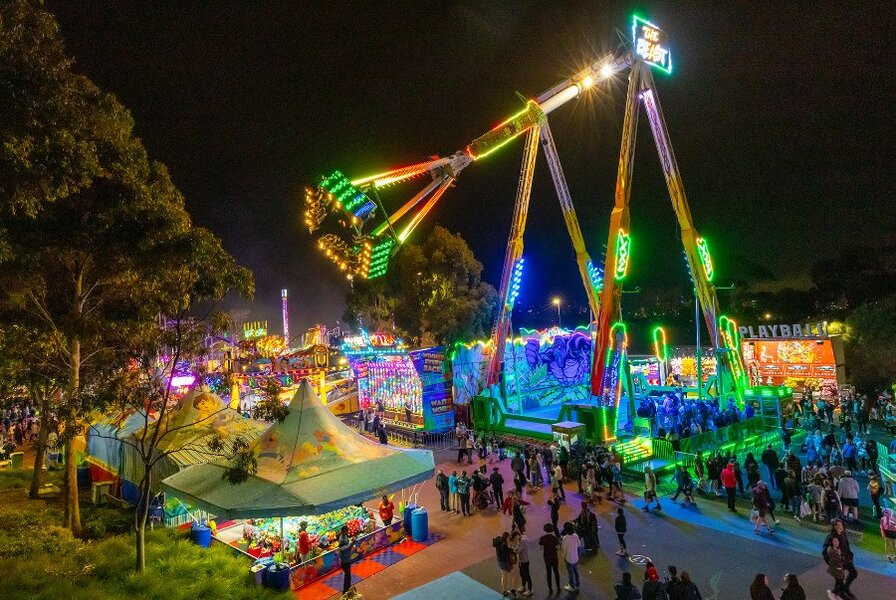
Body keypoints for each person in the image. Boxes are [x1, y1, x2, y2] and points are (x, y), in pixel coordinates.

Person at [822, 520, 857, 595]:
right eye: (839, 525)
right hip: (837, 561)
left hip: (846, 559)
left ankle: (844, 588)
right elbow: (825, 550)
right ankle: (839, 592)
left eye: (841, 525)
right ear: (835, 526)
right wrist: (829, 562)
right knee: (839, 579)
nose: (841, 526)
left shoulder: (843, 534)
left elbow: (846, 545)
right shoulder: (831, 537)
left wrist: (850, 555)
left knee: (853, 573)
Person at [539, 523, 561, 595]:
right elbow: (558, 548)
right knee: (556, 572)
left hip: (547, 557)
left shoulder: (542, 538)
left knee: (549, 572)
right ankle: (558, 587)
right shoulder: (554, 538)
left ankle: (550, 589)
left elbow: (540, 548)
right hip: (554, 557)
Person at [493, 531, 517, 597]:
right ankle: (513, 589)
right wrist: (511, 548)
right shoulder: (504, 545)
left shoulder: (499, 541)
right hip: (504, 562)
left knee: (504, 576)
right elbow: (506, 554)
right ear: (506, 538)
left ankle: (504, 591)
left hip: (499, 561)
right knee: (513, 575)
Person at [510, 529, 533, 596]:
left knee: (527, 575)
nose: (515, 539)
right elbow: (518, 548)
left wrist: (512, 548)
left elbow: (517, 551)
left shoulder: (522, 541)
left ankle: (530, 590)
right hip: (521, 561)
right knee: (522, 575)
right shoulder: (521, 539)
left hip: (524, 561)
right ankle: (523, 586)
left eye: (515, 537)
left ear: (517, 535)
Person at [561, 521, 581, 592]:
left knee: (570, 572)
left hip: (568, 558)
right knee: (576, 571)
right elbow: (579, 545)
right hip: (575, 557)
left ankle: (571, 586)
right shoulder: (575, 536)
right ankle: (577, 584)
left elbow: (564, 548)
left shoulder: (565, 538)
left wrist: (563, 555)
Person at [337, 525, 353, 594]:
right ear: (344, 531)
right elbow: (343, 548)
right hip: (345, 560)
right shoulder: (342, 539)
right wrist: (352, 543)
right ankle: (345, 590)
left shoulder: (345, 536)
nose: (348, 532)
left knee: (348, 576)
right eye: (347, 531)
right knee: (347, 576)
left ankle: (348, 588)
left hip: (347, 559)